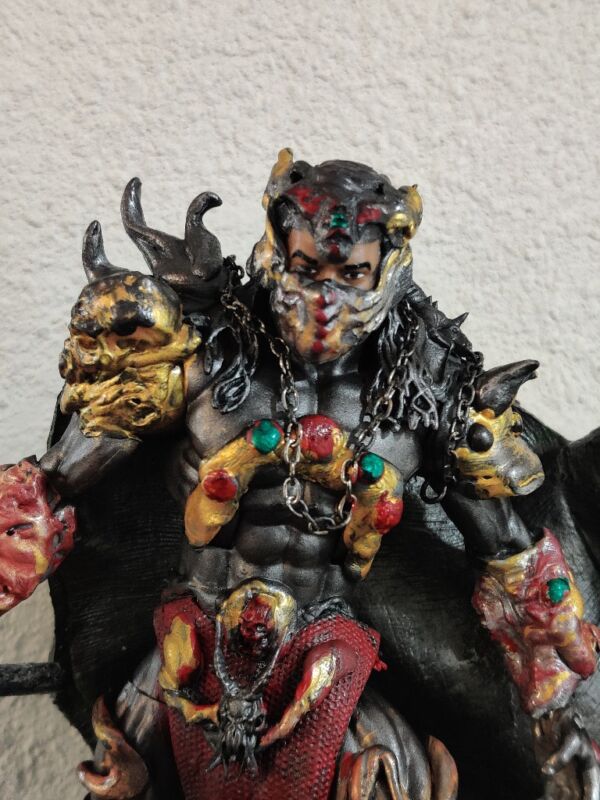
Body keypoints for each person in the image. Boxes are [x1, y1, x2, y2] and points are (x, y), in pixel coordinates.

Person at [0, 150, 598, 799]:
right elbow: (50, 485)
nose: (325, 299)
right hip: (191, 642)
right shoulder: (209, 358)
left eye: (351, 273)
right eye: (308, 269)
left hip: (328, 652)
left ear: (387, 264)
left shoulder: (426, 400)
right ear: (278, 248)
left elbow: (513, 560)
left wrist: (558, 714)